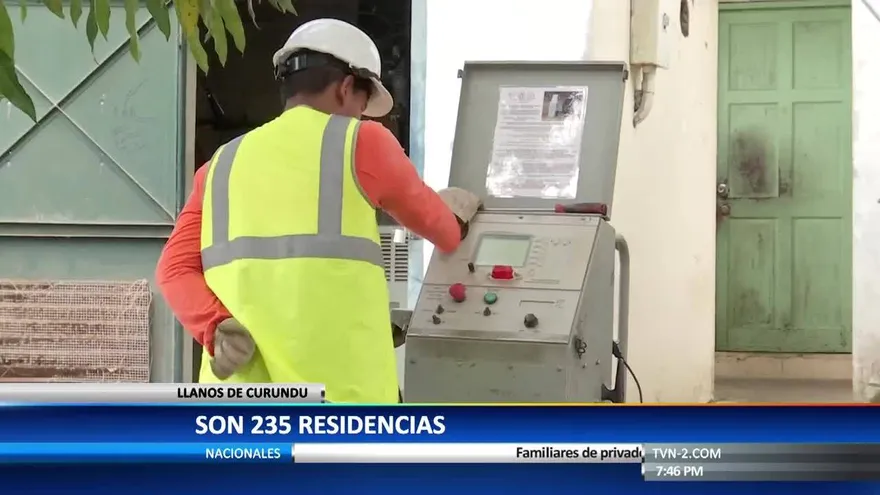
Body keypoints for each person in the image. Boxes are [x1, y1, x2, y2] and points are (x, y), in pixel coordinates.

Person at [156, 18, 482, 404]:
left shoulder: (219, 167)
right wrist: (456, 211)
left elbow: (173, 270)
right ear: (346, 89)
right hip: (343, 409)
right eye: (363, 105)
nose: (362, 116)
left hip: (240, 415)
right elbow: (443, 231)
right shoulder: (363, 142)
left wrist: (215, 326)